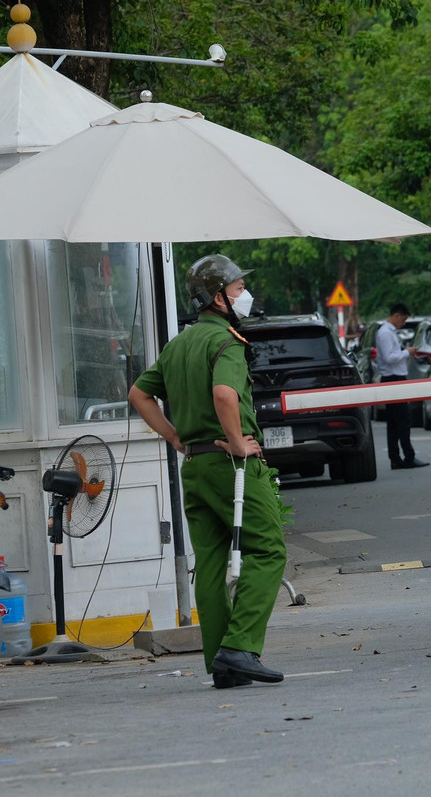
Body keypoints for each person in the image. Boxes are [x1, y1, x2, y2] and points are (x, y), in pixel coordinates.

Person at [128, 254, 287, 689]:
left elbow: (138, 394)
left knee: (213, 564)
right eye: (237, 289)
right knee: (269, 550)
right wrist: (237, 442)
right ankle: (240, 648)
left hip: (195, 466)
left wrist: (176, 437)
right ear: (217, 297)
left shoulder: (178, 345)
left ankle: (222, 663)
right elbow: (223, 394)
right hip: (230, 465)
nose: (244, 295)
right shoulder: (226, 341)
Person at [375, 302, 430, 470]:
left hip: (394, 377)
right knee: (403, 420)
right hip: (393, 378)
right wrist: (408, 352)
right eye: (403, 319)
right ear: (396, 315)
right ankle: (408, 456)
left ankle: (396, 458)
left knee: (394, 422)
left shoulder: (388, 332)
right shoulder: (385, 333)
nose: (404, 323)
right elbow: (389, 357)